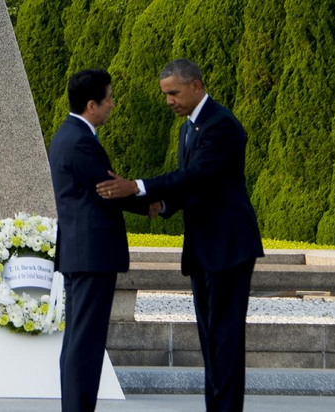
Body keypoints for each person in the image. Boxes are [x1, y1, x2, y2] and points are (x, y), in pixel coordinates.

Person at [96, 59, 264, 412]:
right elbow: (193, 187)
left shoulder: (222, 125)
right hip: (203, 248)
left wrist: (136, 186)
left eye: (173, 93)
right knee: (209, 340)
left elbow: (198, 175)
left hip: (229, 247)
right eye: (165, 95)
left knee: (225, 340)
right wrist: (160, 205)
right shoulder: (188, 128)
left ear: (196, 87)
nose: (169, 100)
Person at [49, 69, 159, 412]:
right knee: (86, 341)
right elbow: (109, 188)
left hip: (81, 253)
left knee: (80, 339)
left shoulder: (68, 135)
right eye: (109, 99)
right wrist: (154, 202)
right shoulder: (80, 140)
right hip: (91, 254)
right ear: (92, 104)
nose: (113, 105)